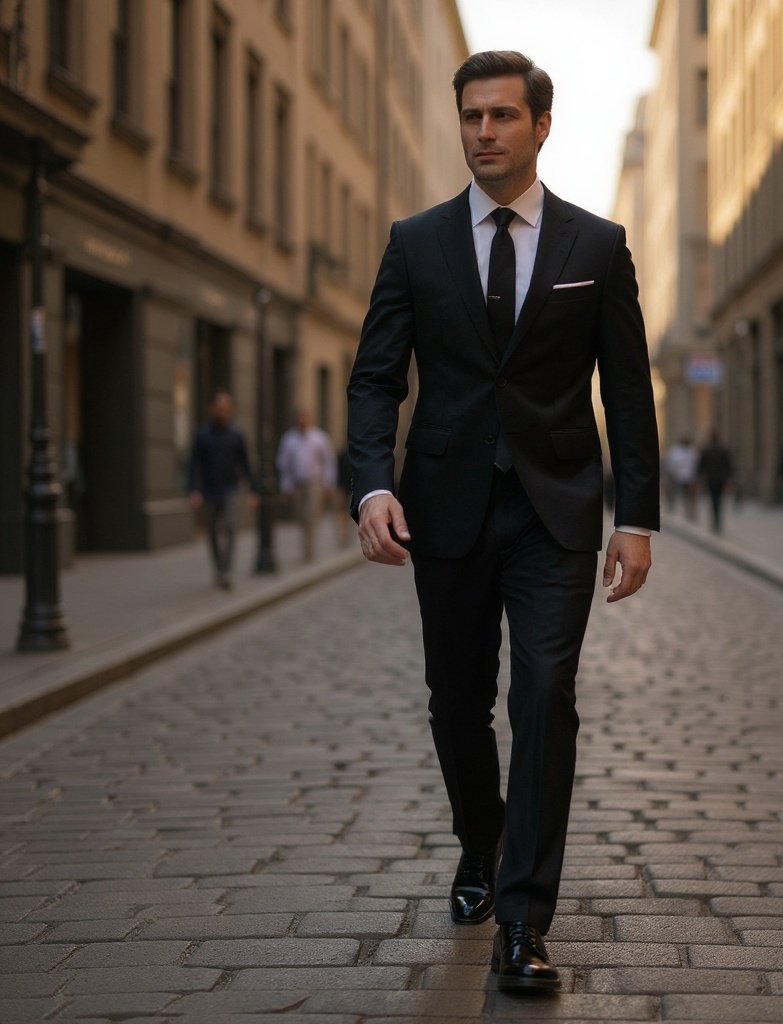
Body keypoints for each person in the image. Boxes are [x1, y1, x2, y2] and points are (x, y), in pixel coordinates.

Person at [347, 50, 660, 992]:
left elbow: (628, 391)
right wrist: (372, 486)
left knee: (545, 694)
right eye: (471, 116)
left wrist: (636, 517)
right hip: (443, 508)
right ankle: (479, 842)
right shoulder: (416, 242)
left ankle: (524, 919)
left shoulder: (595, 246)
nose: (483, 132)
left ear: (541, 126)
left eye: (502, 116)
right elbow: (375, 378)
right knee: (457, 703)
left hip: (553, 509)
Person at [187, 391, 258, 589]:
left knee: (229, 527)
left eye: (226, 408)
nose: (222, 411)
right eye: (219, 408)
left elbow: (245, 463)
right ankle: (218, 568)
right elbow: (194, 464)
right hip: (209, 489)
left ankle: (226, 571)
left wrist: (252, 490)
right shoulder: (202, 434)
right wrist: (194, 489)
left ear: (230, 410)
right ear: (212, 409)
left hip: (230, 488)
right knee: (211, 531)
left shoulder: (236, 434)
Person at [276, 410, 336, 563]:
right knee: (301, 516)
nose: (302, 421)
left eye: (304, 418)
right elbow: (284, 466)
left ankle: (309, 550)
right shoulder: (289, 439)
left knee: (311, 515)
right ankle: (305, 546)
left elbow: (328, 462)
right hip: (297, 483)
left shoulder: (319, 438)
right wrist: (285, 487)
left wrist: (328, 484)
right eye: (299, 419)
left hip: (314, 483)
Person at [697, 428, 733, 533]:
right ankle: (717, 521)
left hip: (711, 479)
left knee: (713, 499)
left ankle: (715, 521)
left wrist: (701, 478)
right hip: (720, 479)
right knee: (719, 499)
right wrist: (729, 479)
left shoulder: (706, 450)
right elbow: (728, 466)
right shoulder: (723, 450)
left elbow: (701, 466)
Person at [664, 435, 698, 519]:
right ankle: (672, 506)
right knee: (675, 493)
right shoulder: (675, 451)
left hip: (689, 477)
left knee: (689, 496)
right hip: (677, 477)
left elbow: (695, 465)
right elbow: (671, 463)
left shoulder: (692, 451)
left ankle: (690, 511)